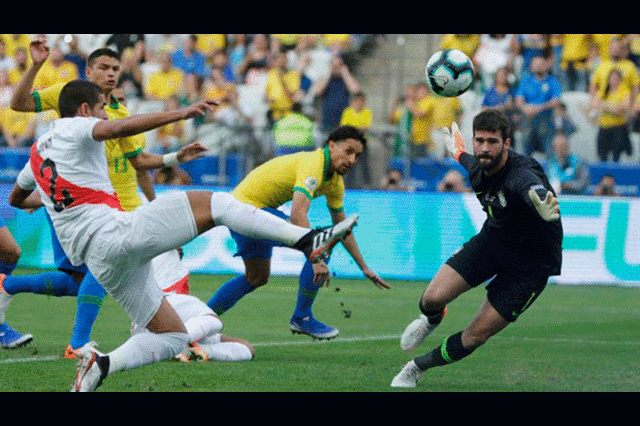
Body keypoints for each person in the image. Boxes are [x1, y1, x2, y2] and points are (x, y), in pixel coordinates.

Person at [10, 79, 359, 391]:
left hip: (99, 259)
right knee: (219, 204)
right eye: (101, 108)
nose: (105, 114)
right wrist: (181, 113)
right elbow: (117, 129)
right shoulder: (77, 127)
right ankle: (305, 240)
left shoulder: (36, 152)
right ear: (85, 110)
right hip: (115, 232)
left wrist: (55, 200)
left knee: (175, 336)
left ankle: (102, 365)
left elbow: (17, 198)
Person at [5, 38, 205, 357]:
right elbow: (18, 104)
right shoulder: (69, 94)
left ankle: (7, 286)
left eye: (115, 69)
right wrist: (37, 65)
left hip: (114, 206)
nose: (111, 74)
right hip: (79, 209)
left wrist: (173, 158)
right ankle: (79, 343)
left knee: (75, 282)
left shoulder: (120, 111)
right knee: (99, 271)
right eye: (103, 67)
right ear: (89, 70)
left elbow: (138, 162)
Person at [391, 110, 562, 388]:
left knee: (474, 336)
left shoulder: (522, 174)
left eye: (493, 141)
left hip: (531, 266)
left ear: (507, 143)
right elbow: (463, 156)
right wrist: (457, 151)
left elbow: (530, 187)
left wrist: (539, 198)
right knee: (430, 299)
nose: (484, 148)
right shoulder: (477, 166)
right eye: (479, 140)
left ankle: (416, 367)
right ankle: (433, 319)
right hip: (493, 243)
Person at [207, 125, 389, 340]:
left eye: (357, 156)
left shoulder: (335, 183)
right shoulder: (314, 164)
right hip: (245, 210)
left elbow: (343, 227)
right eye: (348, 151)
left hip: (246, 212)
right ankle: (302, 317)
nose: (352, 160)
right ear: (331, 145)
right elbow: (298, 213)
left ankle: (199, 319)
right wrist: (316, 258)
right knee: (323, 243)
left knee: (256, 277)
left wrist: (364, 267)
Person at [135, 249, 255, 363]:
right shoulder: (161, 250)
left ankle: (197, 351)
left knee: (247, 349)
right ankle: (175, 343)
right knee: (213, 320)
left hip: (153, 324)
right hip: (164, 305)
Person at [515, 55, 562, 159]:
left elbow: (556, 100)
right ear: (531, 66)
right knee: (524, 145)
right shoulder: (526, 81)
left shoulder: (552, 81)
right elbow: (519, 99)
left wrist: (539, 108)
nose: (538, 67)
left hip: (546, 120)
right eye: (536, 64)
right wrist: (525, 108)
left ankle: (551, 169)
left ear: (546, 66)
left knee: (549, 148)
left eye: (541, 64)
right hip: (528, 120)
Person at [312, 54, 362, 142]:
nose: (336, 68)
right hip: (327, 123)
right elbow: (318, 91)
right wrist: (328, 73)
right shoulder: (325, 79)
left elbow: (355, 90)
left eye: (339, 65)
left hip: (343, 123)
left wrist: (346, 73)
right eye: (334, 65)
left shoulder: (346, 79)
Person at [589, 68, 632, 162]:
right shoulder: (604, 91)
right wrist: (613, 107)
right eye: (612, 77)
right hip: (604, 127)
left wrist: (605, 105)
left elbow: (625, 107)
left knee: (617, 155)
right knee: (602, 154)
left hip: (618, 127)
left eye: (616, 77)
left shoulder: (624, 91)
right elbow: (595, 104)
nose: (613, 80)